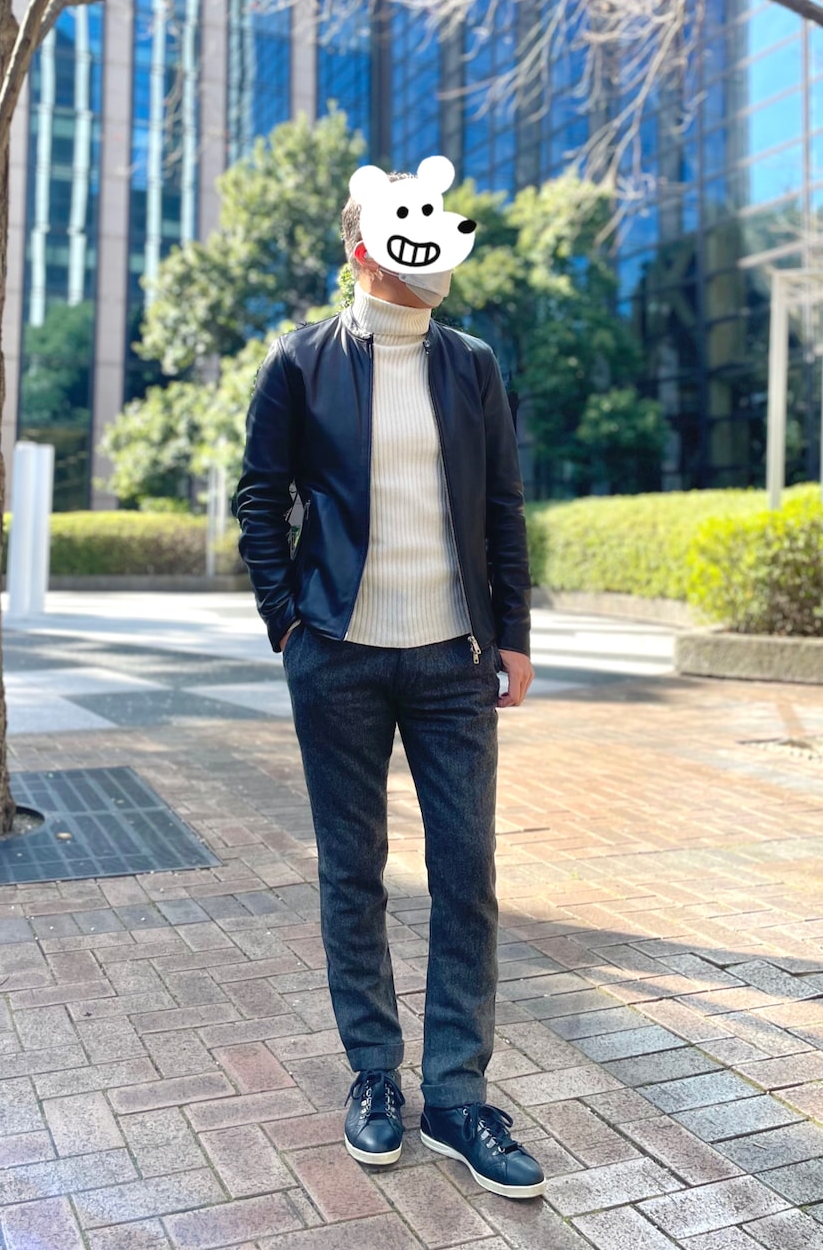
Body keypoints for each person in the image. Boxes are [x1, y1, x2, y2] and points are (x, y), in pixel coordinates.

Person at [235, 167, 546, 1199]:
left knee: (466, 873)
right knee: (352, 870)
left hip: (453, 657)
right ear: (367, 247)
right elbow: (260, 497)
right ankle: (375, 1071)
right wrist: (288, 623)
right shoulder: (300, 361)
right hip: (338, 655)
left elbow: (502, 505)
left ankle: (456, 1095)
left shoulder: (472, 365)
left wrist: (512, 633)